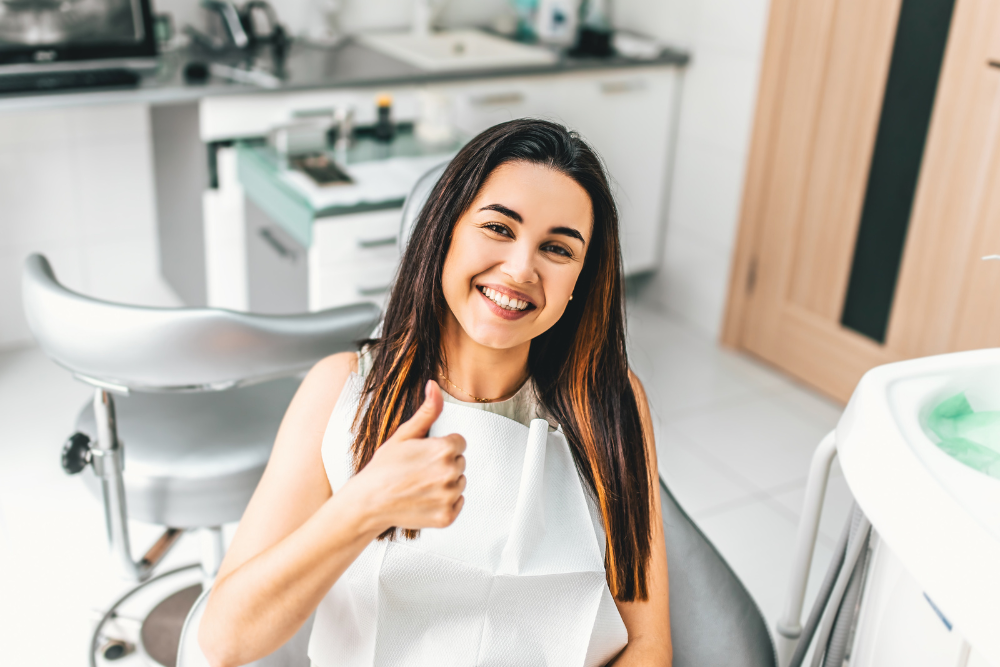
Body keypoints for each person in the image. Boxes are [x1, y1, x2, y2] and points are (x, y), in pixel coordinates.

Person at [199, 119, 671, 666]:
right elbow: (225, 640)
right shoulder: (342, 391)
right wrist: (363, 506)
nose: (520, 269)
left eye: (557, 250)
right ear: (444, 232)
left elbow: (648, 641)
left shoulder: (610, 401)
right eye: (498, 228)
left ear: (579, 284)